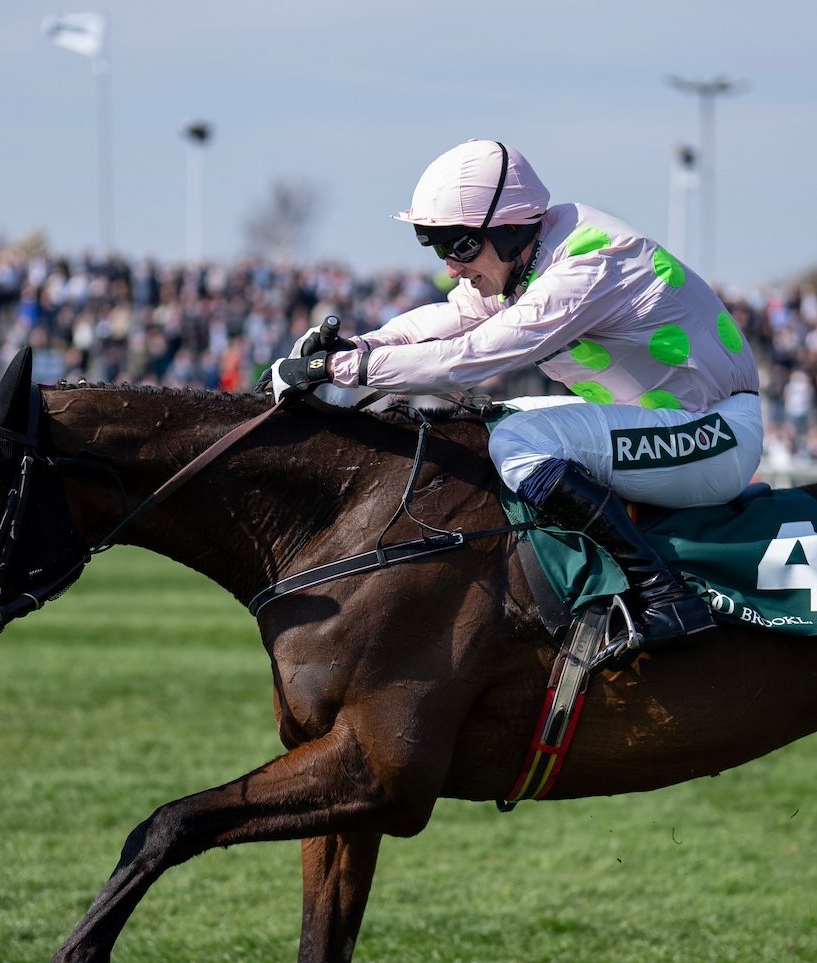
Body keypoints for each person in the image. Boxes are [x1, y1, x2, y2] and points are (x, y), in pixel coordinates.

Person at [265, 140, 763, 646]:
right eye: (440, 248)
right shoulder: (532, 256)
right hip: (673, 425)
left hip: (716, 436)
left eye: (462, 246)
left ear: (511, 229)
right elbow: (451, 318)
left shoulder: (586, 267)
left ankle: (663, 594)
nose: (452, 267)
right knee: (490, 423)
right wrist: (359, 345)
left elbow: (470, 356)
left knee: (517, 441)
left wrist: (340, 368)